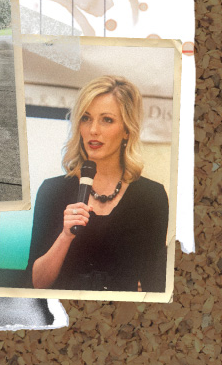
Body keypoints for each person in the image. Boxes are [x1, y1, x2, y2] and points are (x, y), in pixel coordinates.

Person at [27, 75, 168, 292]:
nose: (93, 130)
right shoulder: (52, 190)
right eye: (86, 118)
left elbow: (155, 283)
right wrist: (65, 236)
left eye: (107, 120)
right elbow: (36, 283)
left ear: (127, 130)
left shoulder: (151, 196)